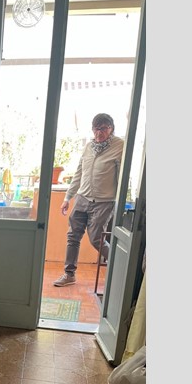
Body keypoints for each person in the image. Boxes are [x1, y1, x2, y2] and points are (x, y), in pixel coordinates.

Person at [53, 113, 124, 287]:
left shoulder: (120, 146)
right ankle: (69, 274)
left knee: (96, 239)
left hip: (104, 201)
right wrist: (68, 198)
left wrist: (122, 200)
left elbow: (124, 176)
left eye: (104, 128)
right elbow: (79, 173)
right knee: (73, 236)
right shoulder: (88, 147)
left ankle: (121, 266)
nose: (99, 133)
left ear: (111, 129)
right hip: (82, 198)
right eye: (96, 129)